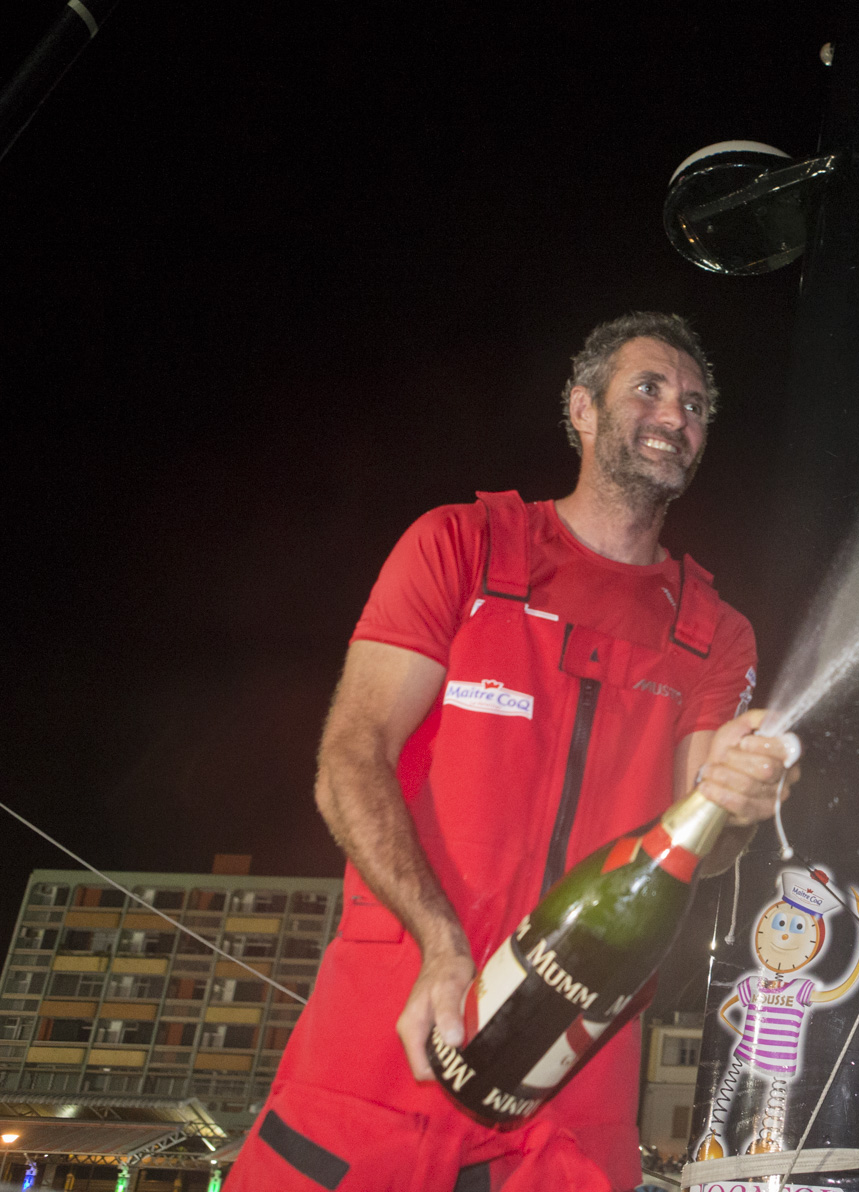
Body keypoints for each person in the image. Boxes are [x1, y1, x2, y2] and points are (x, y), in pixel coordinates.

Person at [225, 312, 795, 1192]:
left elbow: (705, 842)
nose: (675, 415)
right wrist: (441, 943)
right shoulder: (460, 546)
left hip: (574, 1085)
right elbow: (350, 757)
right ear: (582, 409)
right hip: (388, 1044)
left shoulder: (717, 635)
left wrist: (741, 804)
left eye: (695, 403)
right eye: (648, 387)